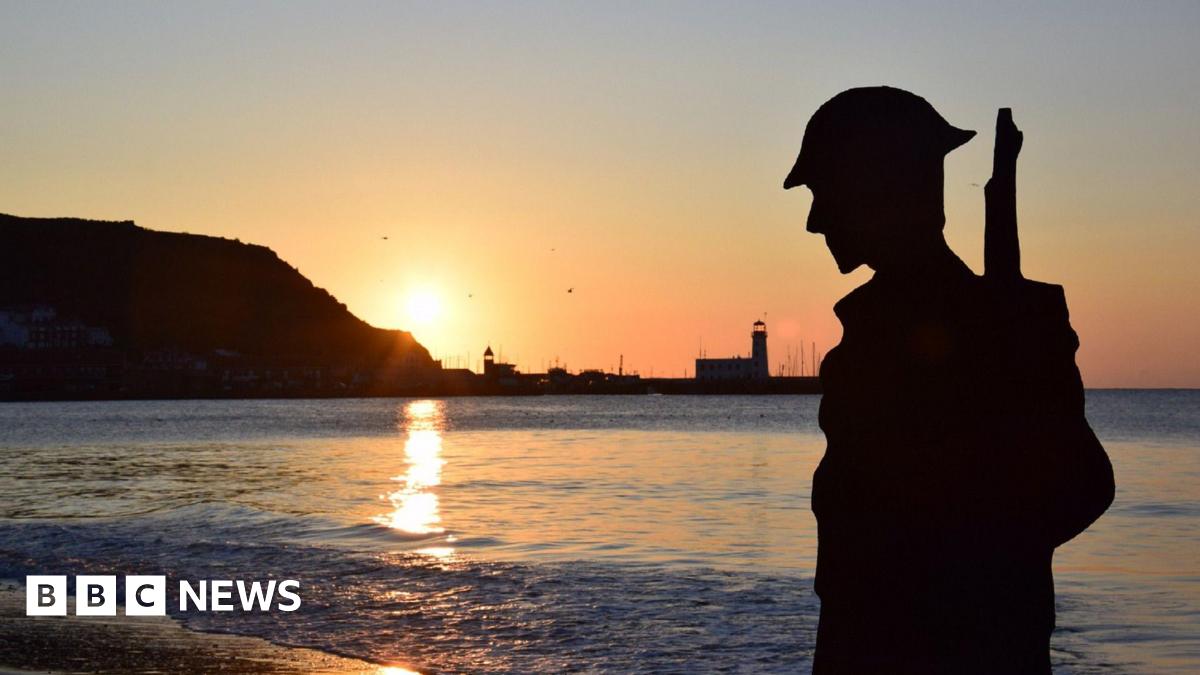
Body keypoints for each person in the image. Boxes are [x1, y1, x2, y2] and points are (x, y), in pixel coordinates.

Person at [783, 87, 1114, 674]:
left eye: (824, 192)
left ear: (879, 187)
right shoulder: (875, 332)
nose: (814, 222)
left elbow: (1080, 487)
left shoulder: (997, 328)